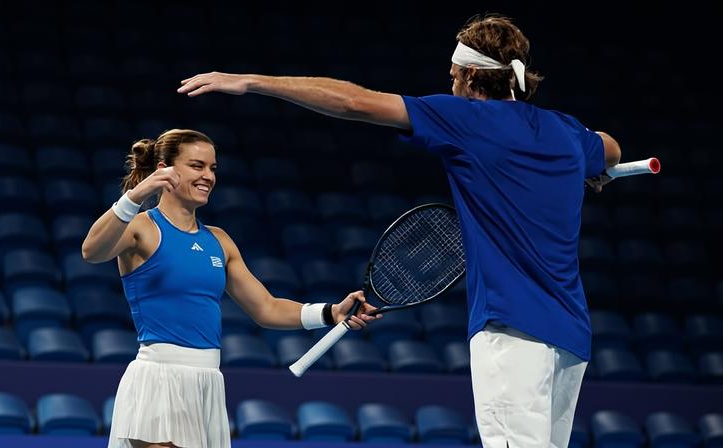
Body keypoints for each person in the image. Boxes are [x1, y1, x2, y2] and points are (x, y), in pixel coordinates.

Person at [177, 14, 622, 448]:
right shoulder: (566, 132)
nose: (449, 84)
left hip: (513, 331)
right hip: (570, 336)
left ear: (470, 76)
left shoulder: (464, 118)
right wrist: (587, 170)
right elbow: (610, 148)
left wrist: (251, 81)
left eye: (452, 76)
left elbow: (352, 101)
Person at [81, 128, 378, 448]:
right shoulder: (141, 227)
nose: (207, 176)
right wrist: (135, 196)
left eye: (212, 168)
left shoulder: (219, 240)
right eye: (197, 166)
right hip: (159, 379)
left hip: (208, 381)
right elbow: (92, 251)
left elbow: (267, 308)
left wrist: (331, 312)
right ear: (164, 170)